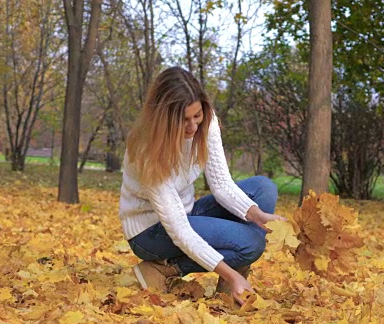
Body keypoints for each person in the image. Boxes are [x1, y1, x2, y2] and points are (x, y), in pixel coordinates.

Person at [118, 66, 284, 304]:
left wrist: (258, 215)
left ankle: (235, 275)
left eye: (197, 116)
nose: (193, 127)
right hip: (150, 232)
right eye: (183, 120)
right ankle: (167, 269)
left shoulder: (206, 123)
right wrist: (230, 271)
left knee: (263, 188)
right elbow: (179, 229)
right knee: (251, 244)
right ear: (163, 118)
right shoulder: (147, 149)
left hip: (188, 212)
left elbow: (222, 185)